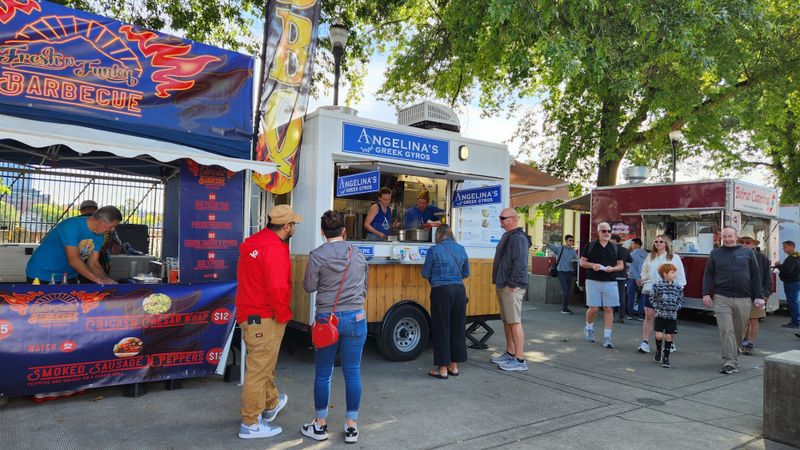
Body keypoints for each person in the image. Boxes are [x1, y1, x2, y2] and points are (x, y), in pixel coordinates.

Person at [236, 204, 302, 439]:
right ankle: (250, 423)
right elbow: (277, 288)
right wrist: (284, 314)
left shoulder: (253, 242)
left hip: (250, 314)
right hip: (265, 317)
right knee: (258, 371)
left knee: (264, 365)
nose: (294, 227)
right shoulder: (275, 248)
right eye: (293, 224)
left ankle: (271, 405)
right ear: (286, 227)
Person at [301, 210, 368, 444]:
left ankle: (320, 426)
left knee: (323, 374)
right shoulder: (358, 254)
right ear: (344, 231)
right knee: (353, 372)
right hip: (356, 318)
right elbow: (364, 288)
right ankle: (351, 427)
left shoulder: (317, 255)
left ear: (322, 232)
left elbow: (308, 286)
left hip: (326, 321)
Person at [702, 227, 766, 375]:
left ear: (736, 237)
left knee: (738, 330)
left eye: (730, 236)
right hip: (722, 297)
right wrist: (706, 293)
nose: (728, 239)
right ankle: (730, 361)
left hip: (744, 298)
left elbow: (756, 275)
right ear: (721, 238)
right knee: (726, 329)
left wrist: (759, 296)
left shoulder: (747, 252)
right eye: (725, 236)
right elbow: (708, 275)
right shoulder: (715, 253)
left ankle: (731, 355)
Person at [25, 205, 121, 285]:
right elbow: (73, 260)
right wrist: (98, 280)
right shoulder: (71, 226)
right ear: (102, 221)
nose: (112, 230)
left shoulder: (100, 235)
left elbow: (93, 263)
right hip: (42, 273)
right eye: (112, 226)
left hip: (68, 275)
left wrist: (108, 281)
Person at [422, 224, 470, 379]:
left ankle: (442, 369)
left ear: (438, 235)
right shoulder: (461, 249)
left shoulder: (434, 250)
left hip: (441, 291)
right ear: (450, 234)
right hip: (459, 291)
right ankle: (454, 366)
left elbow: (425, 273)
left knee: (442, 328)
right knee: (457, 327)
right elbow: (466, 273)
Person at [490, 208, 531, 371]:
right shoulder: (509, 236)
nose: (500, 221)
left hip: (511, 286)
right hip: (504, 284)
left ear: (513, 219)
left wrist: (513, 284)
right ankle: (510, 352)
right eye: (500, 218)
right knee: (507, 320)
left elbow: (520, 262)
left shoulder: (519, 238)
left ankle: (520, 360)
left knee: (514, 321)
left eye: (503, 218)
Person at [637, 235, 686, 354]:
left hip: (668, 291)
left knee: (666, 316)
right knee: (649, 315)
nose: (658, 243)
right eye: (656, 241)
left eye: (661, 241)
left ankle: (670, 343)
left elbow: (679, 274)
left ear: (666, 243)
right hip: (651, 289)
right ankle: (645, 342)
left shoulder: (674, 257)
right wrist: (644, 279)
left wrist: (679, 288)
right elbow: (644, 270)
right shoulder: (650, 256)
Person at [579, 222, 624, 349]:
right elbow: (582, 262)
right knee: (594, 308)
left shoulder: (616, 248)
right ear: (598, 232)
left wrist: (613, 268)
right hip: (593, 280)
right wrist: (593, 265)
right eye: (604, 231)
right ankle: (588, 327)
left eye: (609, 231)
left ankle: (607, 337)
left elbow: (621, 265)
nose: (607, 233)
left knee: (609, 309)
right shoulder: (591, 246)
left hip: (610, 281)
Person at [740, 237, 772, 355]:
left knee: (754, 320)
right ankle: (743, 340)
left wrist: (765, 294)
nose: (744, 244)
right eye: (742, 242)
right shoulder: (736, 256)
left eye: (748, 243)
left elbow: (768, 278)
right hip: (740, 294)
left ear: (754, 245)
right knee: (742, 320)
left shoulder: (762, 258)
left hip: (756, 295)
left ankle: (750, 344)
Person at [650, 263, 685, 368]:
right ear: (665, 274)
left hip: (672, 315)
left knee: (669, 336)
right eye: (672, 272)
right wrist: (657, 306)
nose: (675, 274)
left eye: (675, 272)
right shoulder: (658, 285)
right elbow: (652, 297)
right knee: (659, 335)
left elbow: (681, 299)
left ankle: (666, 358)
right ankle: (658, 351)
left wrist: (677, 307)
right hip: (660, 315)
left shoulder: (678, 287)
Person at [545, 235, 579, 314]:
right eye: (570, 240)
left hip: (570, 272)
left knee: (568, 290)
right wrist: (546, 243)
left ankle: (565, 306)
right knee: (565, 290)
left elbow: (577, 260)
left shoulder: (573, 251)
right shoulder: (560, 248)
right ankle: (564, 308)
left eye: (572, 240)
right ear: (566, 241)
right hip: (561, 272)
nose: (571, 242)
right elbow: (552, 247)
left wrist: (576, 261)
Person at [774, 240, 800, 329]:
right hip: (794, 282)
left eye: (785, 247)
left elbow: (788, 270)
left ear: (791, 246)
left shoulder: (793, 257)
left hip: (791, 282)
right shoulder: (796, 256)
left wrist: (779, 266)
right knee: (795, 302)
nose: (783, 249)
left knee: (793, 302)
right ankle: (796, 320)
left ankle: (795, 322)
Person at [610, 234, 631, 323]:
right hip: (622, 276)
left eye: (611, 239)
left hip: (612, 275)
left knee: (611, 296)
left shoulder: (610, 249)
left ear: (614, 240)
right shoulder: (625, 250)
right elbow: (630, 260)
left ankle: (611, 315)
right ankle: (621, 316)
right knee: (621, 296)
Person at [627, 238, 647, 320]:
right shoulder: (646, 254)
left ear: (637, 244)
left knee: (631, 295)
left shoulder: (632, 255)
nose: (631, 245)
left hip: (632, 278)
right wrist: (641, 278)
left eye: (632, 244)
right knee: (642, 296)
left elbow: (632, 268)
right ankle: (641, 315)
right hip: (643, 278)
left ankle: (630, 314)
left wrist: (636, 278)